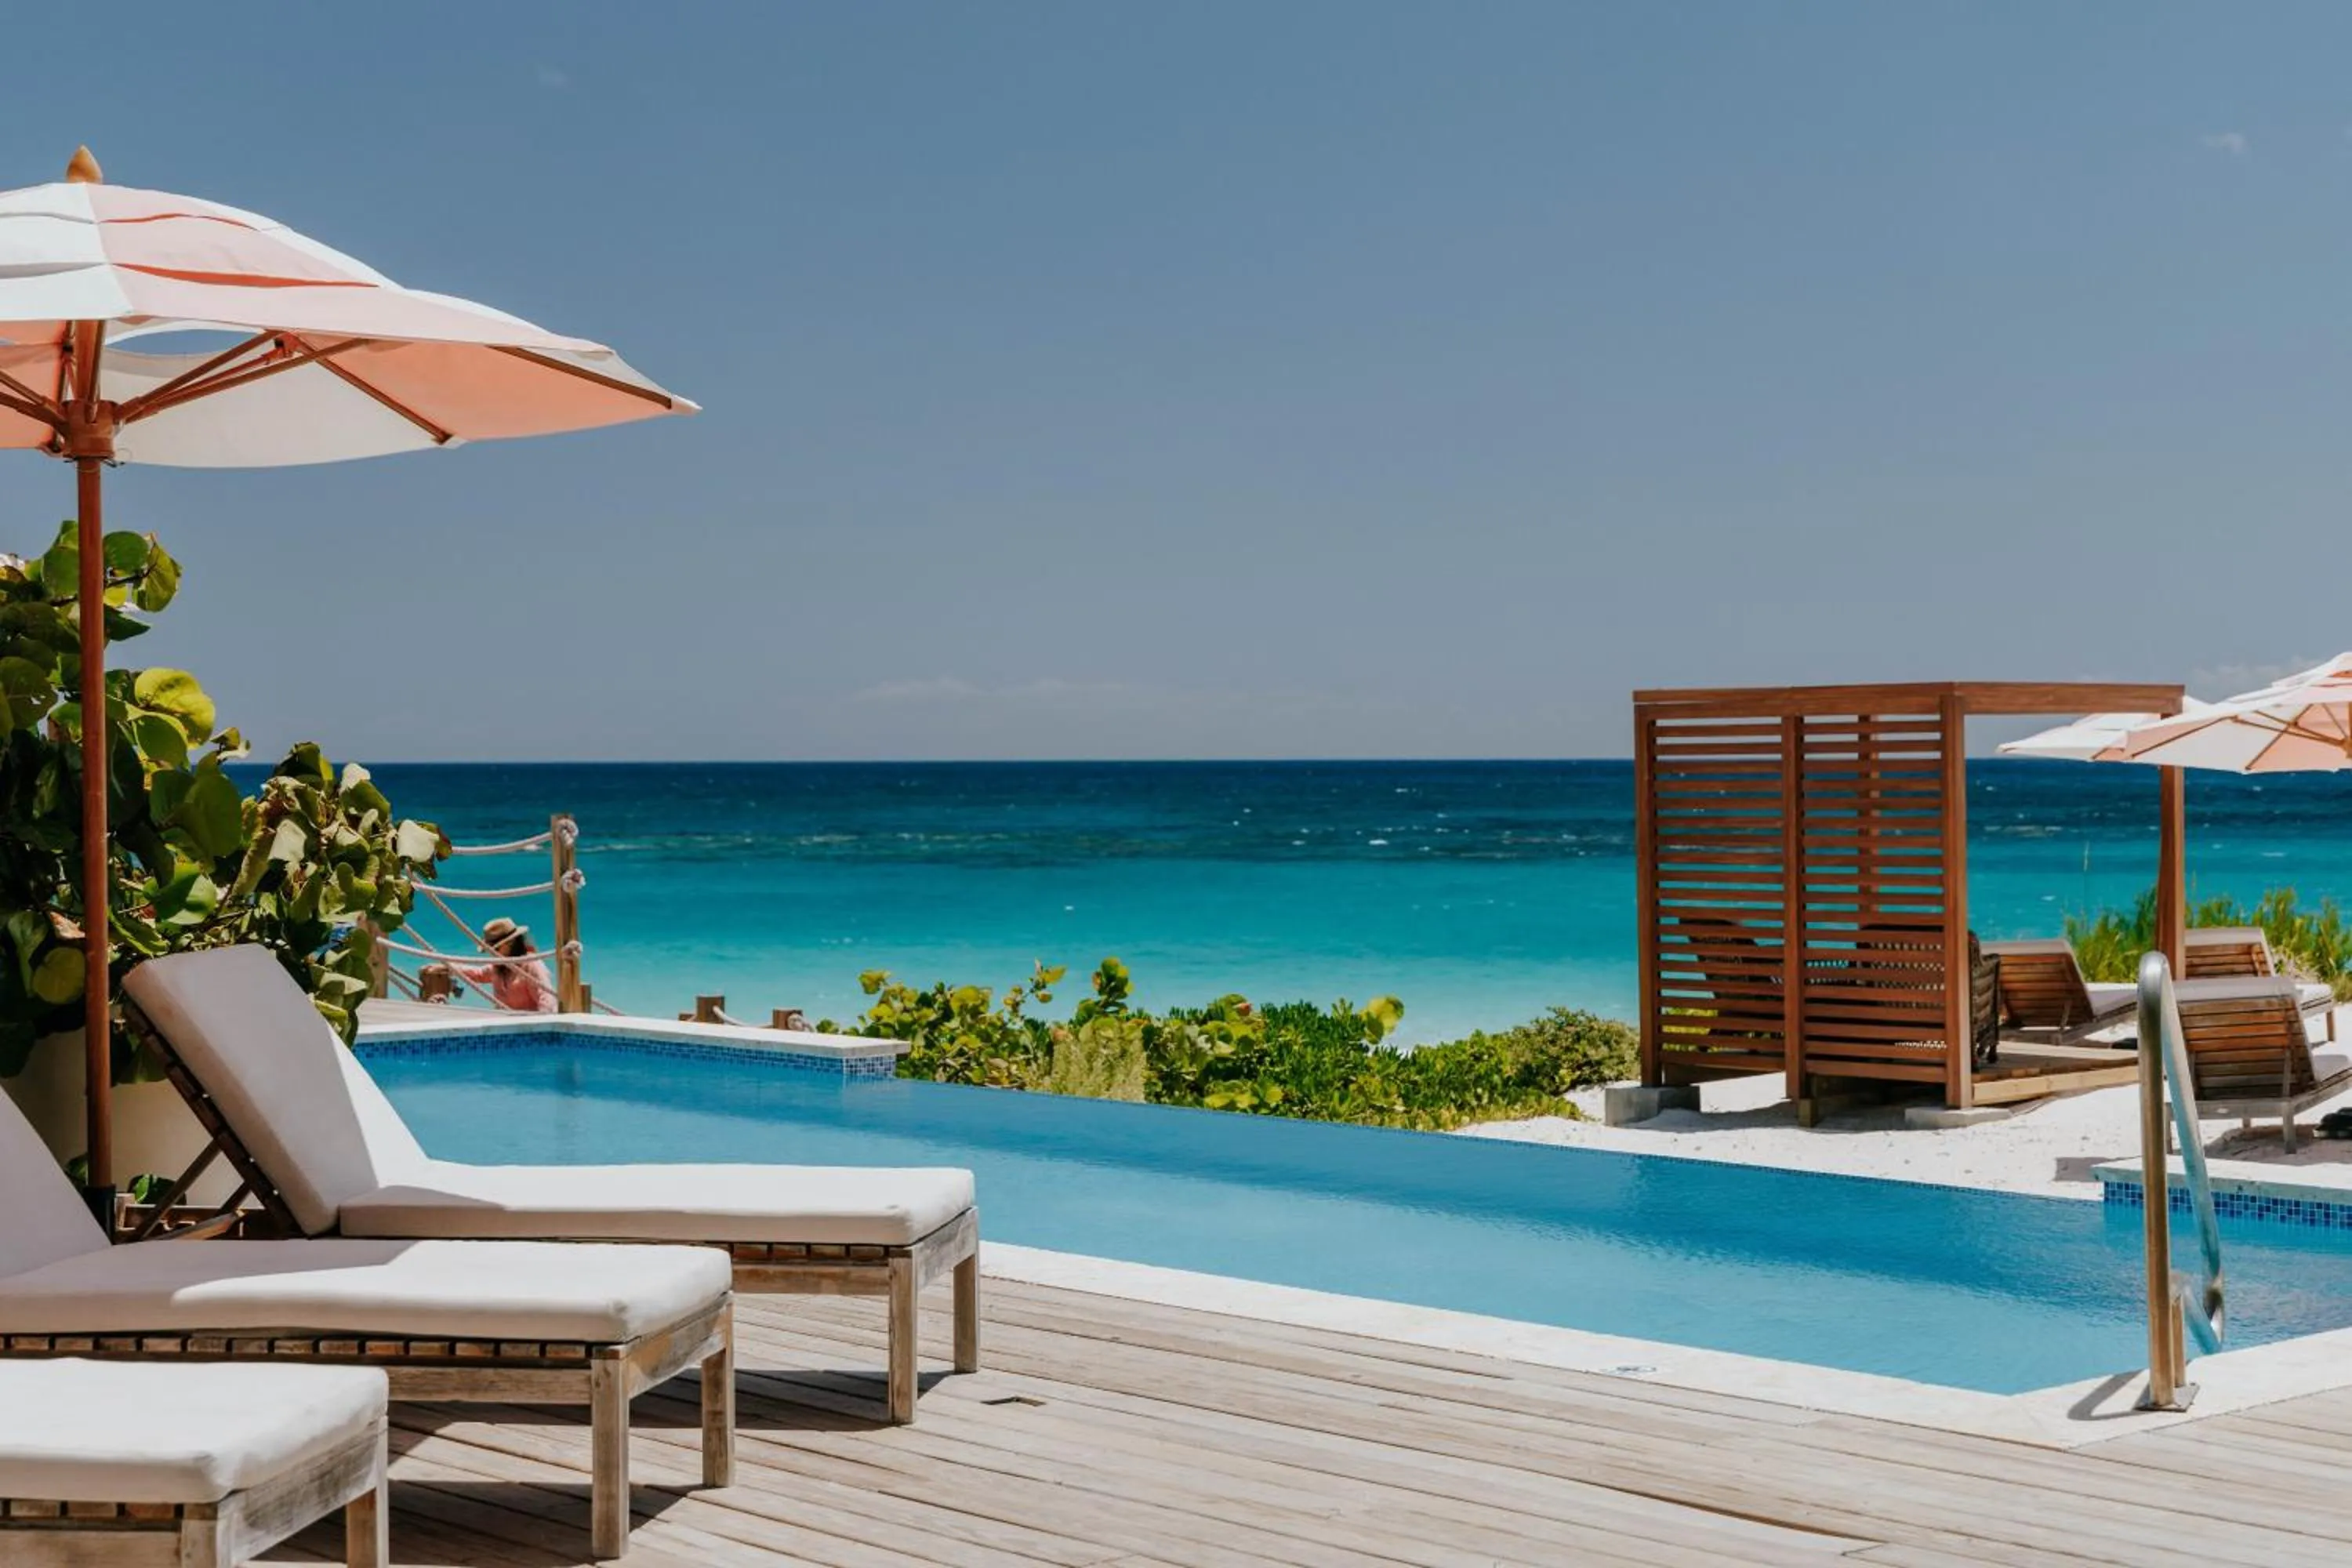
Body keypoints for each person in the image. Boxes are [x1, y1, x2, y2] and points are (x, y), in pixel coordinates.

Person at [456, 916, 559, 1013]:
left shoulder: (532, 965)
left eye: (496, 949)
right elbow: (478, 974)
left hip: (530, 1026)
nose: (492, 953)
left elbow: (547, 1000)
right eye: (489, 950)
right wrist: (448, 966)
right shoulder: (497, 967)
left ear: (511, 943)